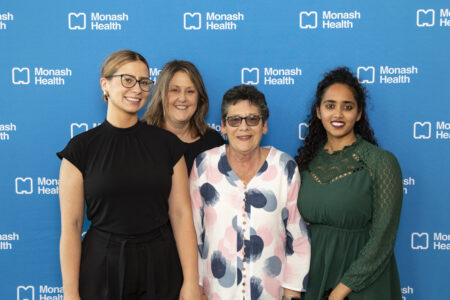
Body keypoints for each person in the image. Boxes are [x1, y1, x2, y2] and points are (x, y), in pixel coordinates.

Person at [57, 50, 200, 300]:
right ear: (105, 84)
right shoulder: (80, 149)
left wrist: (190, 282)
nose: (137, 89)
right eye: (127, 79)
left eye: (144, 82)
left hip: (161, 265)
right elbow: (71, 226)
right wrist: (70, 294)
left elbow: (180, 214)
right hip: (102, 266)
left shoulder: (167, 145)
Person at [190, 84, 310, 300]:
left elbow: (298, 236)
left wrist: (292, 293)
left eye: (252, 119)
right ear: (224, 127)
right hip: (215, 292)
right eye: (234, 120)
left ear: (264, 125)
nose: (243, 127)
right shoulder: (204, 165)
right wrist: (196, 286)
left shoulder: (284, 167)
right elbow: (193, 233)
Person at [296, 67, 403, 300]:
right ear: (318, 111)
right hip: (314, 278)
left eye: (347, 107)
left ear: (359, 113)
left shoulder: (380, 162)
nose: (338, 114)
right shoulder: (304, 164)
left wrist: (340, 291)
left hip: (362, 284)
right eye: (330, 105)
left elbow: (383, 238)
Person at [142, 60, 224, 175]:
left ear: (199, 98)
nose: (182, 98)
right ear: (161, 95)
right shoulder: (140, 139)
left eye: (190, 91)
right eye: (175, 90)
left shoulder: (213, 143)